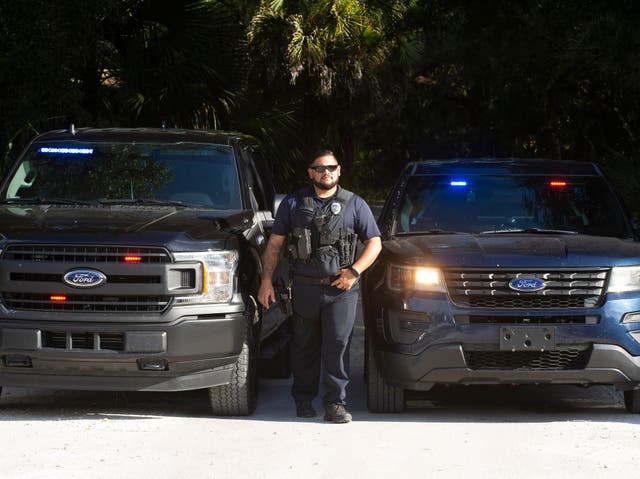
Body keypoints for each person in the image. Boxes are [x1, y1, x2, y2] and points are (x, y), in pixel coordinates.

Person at [258, 149, 382, 424]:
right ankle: (303, 399)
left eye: (331, 167)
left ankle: (335, 403)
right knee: (304, 346)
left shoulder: (355, 204)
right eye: (320, 168)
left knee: (338, 345)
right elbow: (275, 244)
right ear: (310, 172)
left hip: (341, 290)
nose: (326, 172)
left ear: (339, 171)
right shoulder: (293, 203)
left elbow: (375, 243)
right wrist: (266, 281)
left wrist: (354, 271)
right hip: (303, 288)